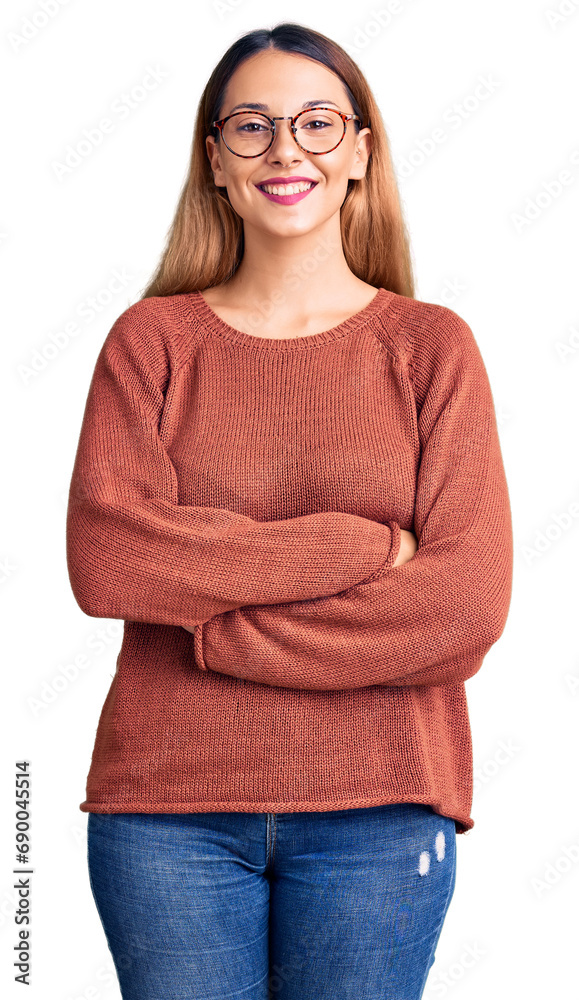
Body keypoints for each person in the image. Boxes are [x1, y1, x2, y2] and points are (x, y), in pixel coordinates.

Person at [66, 21, 513, 1000]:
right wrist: (356, 546)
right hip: (165, 816)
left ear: (360, 153)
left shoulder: (432, 348)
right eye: (254, 126)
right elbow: (109, 558)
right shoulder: (152, 342)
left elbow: (461, 608)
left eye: (318, 122)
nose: (286, 150)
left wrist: (216, 629)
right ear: (214, 160)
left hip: (383, 811)